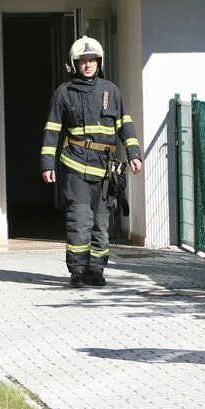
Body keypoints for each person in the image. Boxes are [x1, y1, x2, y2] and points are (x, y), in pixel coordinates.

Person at [41, 35, 143, 287]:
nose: (87, 65)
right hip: (75, 166)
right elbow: (52, 130)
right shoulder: (64, 93)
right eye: (83, 61)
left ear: (99, 62)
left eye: (92, 60)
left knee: (101, 221)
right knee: (79, 219)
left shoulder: (111, 91)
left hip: (105, 169)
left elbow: (125, 125)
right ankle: (77, 271)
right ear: (74, 64)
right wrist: (47, 163)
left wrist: (134, 154)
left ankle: (96, 270)